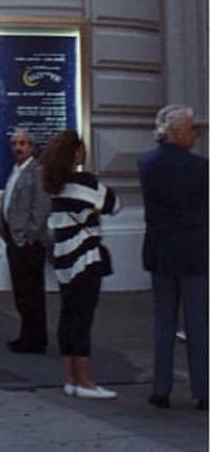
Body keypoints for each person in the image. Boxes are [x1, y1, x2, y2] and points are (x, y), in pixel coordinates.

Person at [138, 104, 208, 410]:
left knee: (164, 321)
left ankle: (161, 388)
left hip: (160, 251)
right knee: (197, 323)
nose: (195, 135)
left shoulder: (146, 163)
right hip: (193, 252)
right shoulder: (201, 167)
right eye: (191, 129)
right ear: (178, 132)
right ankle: (202, 389)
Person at [41, 129, 120, 399]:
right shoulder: (85, 181)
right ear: (75, 153)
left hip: (63, 258)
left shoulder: (54, 183)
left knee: (67, 316)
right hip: (85, 257)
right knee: (83, 318)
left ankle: (71, 379)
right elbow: (114, 204)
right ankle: (86, 382)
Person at [0, 128, 51, 353]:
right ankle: (26, 335)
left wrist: (31, 235)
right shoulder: (16, 170)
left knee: (32, 293)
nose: (17, 148)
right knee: (21, 292)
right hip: (14, 239)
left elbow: (41, 206)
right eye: (14, 144)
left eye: (22, 144)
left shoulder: (37, 171)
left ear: (31, 147)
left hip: (28, 242)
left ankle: (36, 339)